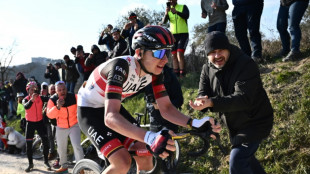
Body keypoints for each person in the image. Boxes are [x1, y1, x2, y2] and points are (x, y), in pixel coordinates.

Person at [77, 25, 220, 174]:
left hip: (111, 107)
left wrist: (194, 123)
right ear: (139, 52)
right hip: (90, 110)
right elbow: (110, 117)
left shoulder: (155, 72)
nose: (165, 60)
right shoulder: (121, 67)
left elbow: (166, 109)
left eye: (167, 53)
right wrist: (150, 137)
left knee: (145, 154)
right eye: (159, 53)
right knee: (122, 162)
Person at [189, 31, 274, 174]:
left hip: (256, 121)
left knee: (237, 161)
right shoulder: (206, 68)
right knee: (246, 161)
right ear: (207, 54)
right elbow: (203, 92)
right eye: (212, 52)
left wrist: (211, 103)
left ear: (228, 48)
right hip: (234, 125)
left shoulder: (245, 64)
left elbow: (243, 98)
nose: (217, 56)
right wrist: (201, 102)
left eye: (221, 50)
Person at [46, 81, 84, 173]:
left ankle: (81, 169)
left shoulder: (74, 97)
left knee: (77, 147)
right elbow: (49, 115)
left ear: (66, 89)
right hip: (61, 127)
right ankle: (64, 167)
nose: (62, 91)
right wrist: (57, 107)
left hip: (74, 125)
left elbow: (83, 104)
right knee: (61, 147)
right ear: (56, 91)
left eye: (63, 89)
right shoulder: (52, 100)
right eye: (59, 90)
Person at [23, 81, 51, 172]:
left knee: (45, 142)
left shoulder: (41, 98)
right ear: (28, 90)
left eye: (35, 88)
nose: (34, 90)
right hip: (30, 123)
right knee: (29, 145)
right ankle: (30, 164)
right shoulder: (26, 99)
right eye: (31, 89)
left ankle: (46, 161)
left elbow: (50, 99)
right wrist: (32, 100)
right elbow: (26, 107)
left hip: (40, 122)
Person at [162, 0, 190, 77]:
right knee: (173, 55)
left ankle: (182, 74)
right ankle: (176, 74)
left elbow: (186, 16)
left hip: (183, 34)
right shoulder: (168, 10)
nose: (171, 1)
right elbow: (164, 22)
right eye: (169, 0)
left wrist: (177, 12)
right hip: (173, 35)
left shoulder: (183, 7)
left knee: (179, 53)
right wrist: (166, 13)